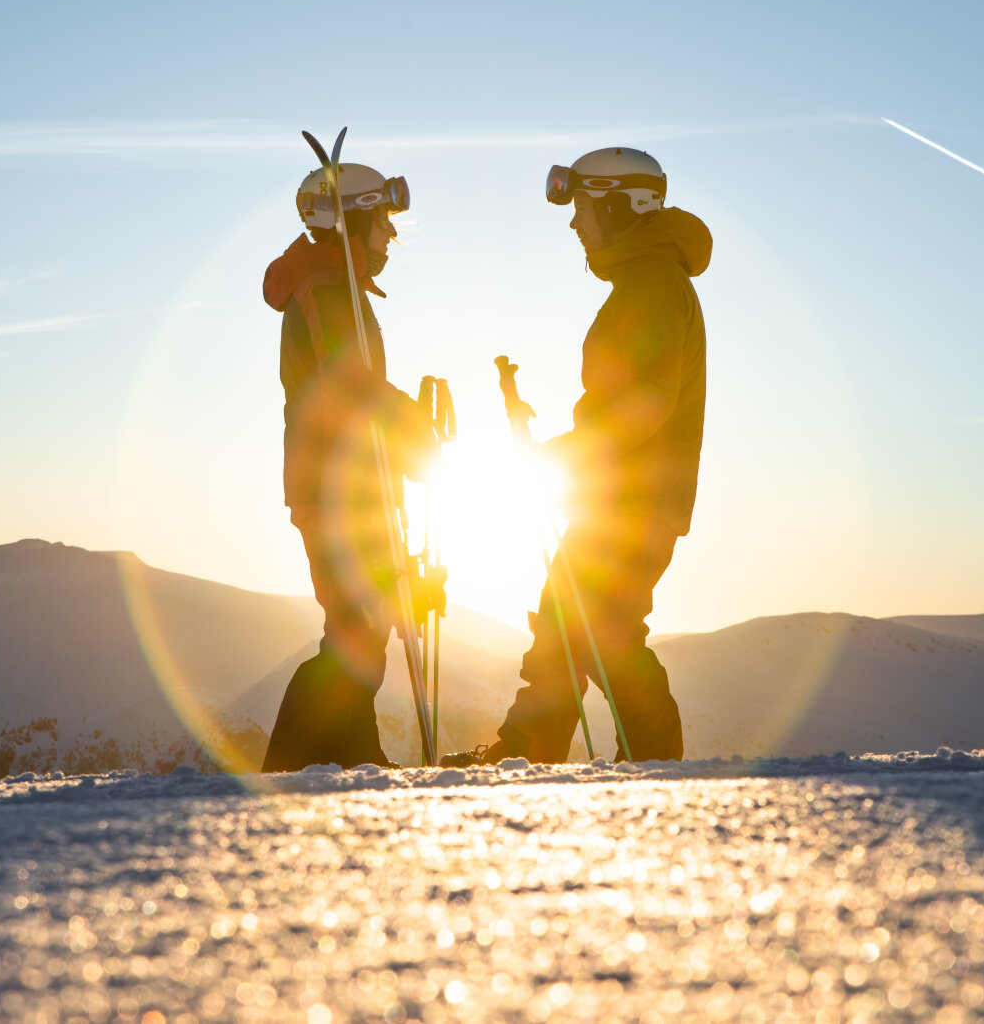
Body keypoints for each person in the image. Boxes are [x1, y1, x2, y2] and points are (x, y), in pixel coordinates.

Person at [452, 147, 711, 765]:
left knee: (601, 633)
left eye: (584, 208)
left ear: (620, 207)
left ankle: (653, 764)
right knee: (565, 629)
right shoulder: (642, 281)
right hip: (618, 497)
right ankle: (527, 754)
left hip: (636, 500)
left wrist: (562, 457)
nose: (574, 224)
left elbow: (647, 400)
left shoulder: (650, 283)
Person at [258, 159, 436, 773]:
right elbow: (349, 385)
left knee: (361, 627)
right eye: (381, 224)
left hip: (347, 485)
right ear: (348, 222)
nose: (389, 238)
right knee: (358, 631)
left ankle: (357, 759)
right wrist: (414, 431)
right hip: (337, 490)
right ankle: (285, 771)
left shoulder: (337, 288)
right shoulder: (326, 291)